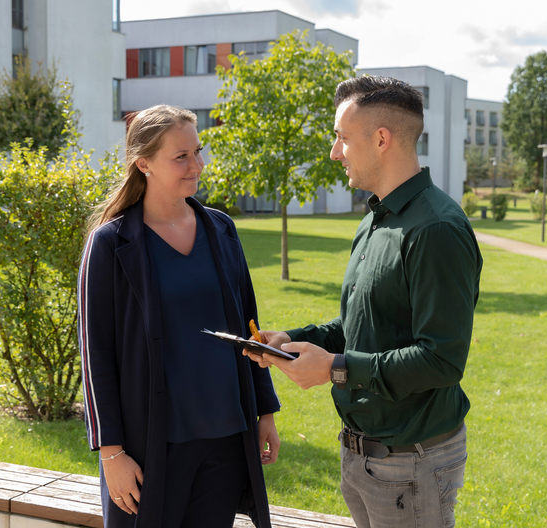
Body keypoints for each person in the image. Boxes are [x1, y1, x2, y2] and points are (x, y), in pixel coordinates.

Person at [246, 77, 483, 528]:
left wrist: (335, 368)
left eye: (342, 138)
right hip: (362, 457)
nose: (335, 152)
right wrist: (291, 341)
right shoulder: (377, 217)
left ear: (381, 139)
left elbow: (442, 360)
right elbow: (363, 321)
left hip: (411, 463)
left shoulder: (436, 230)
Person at [78, 104, 281, 528]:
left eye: (198, 151)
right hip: (150, 444)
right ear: (144, 164)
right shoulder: (111, 244)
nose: (197, 165)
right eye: (181, 157)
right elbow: (95, 354)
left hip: (225, 438)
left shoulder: (221, 230)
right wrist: (111, 453)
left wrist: (265, 411)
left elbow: (250, 326)